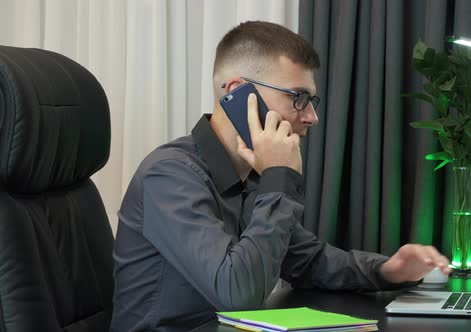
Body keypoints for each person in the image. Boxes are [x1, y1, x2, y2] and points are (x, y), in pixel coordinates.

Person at [110, 21, 451, 331]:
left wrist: (386, 270)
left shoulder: (253, 176)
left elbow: (309, 260)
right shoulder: (169, 175)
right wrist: (279, 176)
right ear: (236, 92)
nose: (312, 117)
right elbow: (237, 293)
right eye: (298, 98)